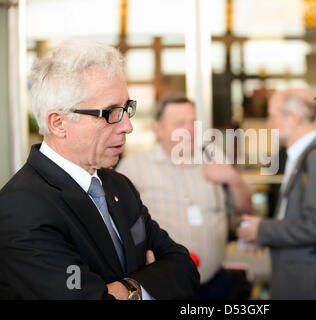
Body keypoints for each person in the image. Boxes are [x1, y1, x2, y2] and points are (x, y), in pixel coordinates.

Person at [0, 40, 199, 300]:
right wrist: (148, 281)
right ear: (58, 123)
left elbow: (184, 267)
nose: (128, 126)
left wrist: (128, 289)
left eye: (126, 108)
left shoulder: (118, 185)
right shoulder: (21, 209)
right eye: (111, 112)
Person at [116, 93, 254, 299]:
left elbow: (245, 209)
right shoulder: (134, 167)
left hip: (214, 282)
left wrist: (234, 179)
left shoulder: (213, 157)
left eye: (192, 122)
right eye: (180, 123)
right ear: (159, 129)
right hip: (164, 286)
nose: (189, 130)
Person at [236, 88, 316, 299]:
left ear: (293, 118)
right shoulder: (302, 156)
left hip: (306, 282)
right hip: (296, 277)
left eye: (272, 116)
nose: (268, 124)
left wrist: (263, 230)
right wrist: (262, 233)